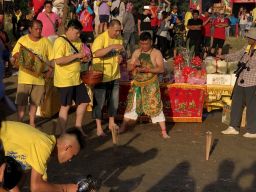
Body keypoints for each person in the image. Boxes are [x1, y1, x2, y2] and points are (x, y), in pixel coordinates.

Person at [0, 120, 84, 191]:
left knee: (19, 175)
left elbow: (42, 187)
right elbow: (36, 187)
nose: (70, 160)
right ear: (67, 148)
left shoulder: (44, 147)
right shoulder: (44, 144)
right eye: (72, 156)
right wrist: (65, 188)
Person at [119, 32, 170, 139]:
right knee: (131, 106)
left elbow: (161, 69)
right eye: (142, 44)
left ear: (151, 42)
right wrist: (133, 64)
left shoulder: (156, 53)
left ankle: (164, 131)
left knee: (155, 106)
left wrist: (148, 69)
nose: (144, 46)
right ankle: (123, 126)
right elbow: (128, 68)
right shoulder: (137, 52)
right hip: (137, 84)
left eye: (146, 44)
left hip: (151, 84)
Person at [11, 19, 53, 128]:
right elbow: (15, 53)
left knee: (35, 103)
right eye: (36, 29)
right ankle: (20, 122)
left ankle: (32, 122)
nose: (39, 31)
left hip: (39, 79)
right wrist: (29, 60)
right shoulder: (23, 39)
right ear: (30, 29)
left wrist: (50, 70)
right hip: (24, 78)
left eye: (40, 29)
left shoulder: (46, 41)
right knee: (21, 103)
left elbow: (52, 58)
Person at [53, 19, 90, 135]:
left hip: (76, 78)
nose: (78, 35)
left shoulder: (78, 41)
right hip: (64, 80)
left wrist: (84, 58)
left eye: (79, 33)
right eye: (76, 33)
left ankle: (78, 127)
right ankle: (62, 133)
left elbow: (81, 56)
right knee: (65, 106)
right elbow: (58, 60)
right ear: (70, 29)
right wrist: (77, 55)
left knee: (84, 101)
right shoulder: (60, 41)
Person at [221, 28, 256, 138]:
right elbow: (237, 55)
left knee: (252, 106)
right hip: (241, 79)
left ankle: (252, 130)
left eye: (249, 37)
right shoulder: (247, 47)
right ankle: (233, 127)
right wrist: (224, 57)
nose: (247, 39)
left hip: (253, 81)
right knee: (236, 103)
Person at [91, 19, 123, 136]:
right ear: (109, 28)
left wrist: (120, 58)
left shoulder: (119, 38)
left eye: (119, 31)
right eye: (116, 31)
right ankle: (99, 127)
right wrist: (111, 46)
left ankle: (111, 123)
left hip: (114, 75)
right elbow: (96, 53)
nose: (118, 33)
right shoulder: (100, 38)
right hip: (101, 76)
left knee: (113, 102)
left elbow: (120, 53)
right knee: (99, 102)